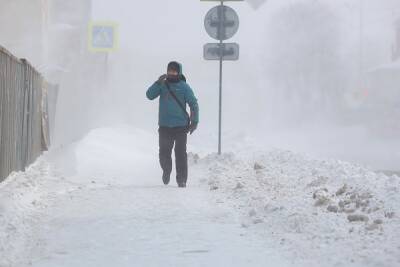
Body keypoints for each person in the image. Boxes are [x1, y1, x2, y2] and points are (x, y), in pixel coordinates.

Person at [146, 61, 199, 188]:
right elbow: (149, 95)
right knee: (164, 152)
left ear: (179, 72)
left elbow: (193, 104)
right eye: (170, 70)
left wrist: (194, 121)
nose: (171, 73)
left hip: (181, 127)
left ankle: (182, 180)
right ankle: (167, 170)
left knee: (180, 153)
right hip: (164, 126)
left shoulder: (184, 87)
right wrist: (157, 82)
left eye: (174, 71)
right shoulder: (162, 85)